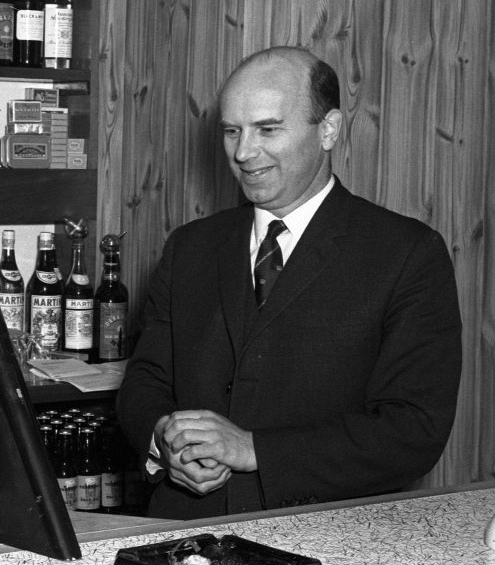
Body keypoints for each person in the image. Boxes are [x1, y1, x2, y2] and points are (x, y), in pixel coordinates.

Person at [116, 46, 462, 520]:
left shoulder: (406, 253)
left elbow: (413, 430)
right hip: (184, 528)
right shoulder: (191, 247)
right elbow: (146, 379)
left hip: (328, 532)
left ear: (329, 130)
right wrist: (165, 439)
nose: (243, 152)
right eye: (232, 131)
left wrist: (255, 450)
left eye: (268, 129)